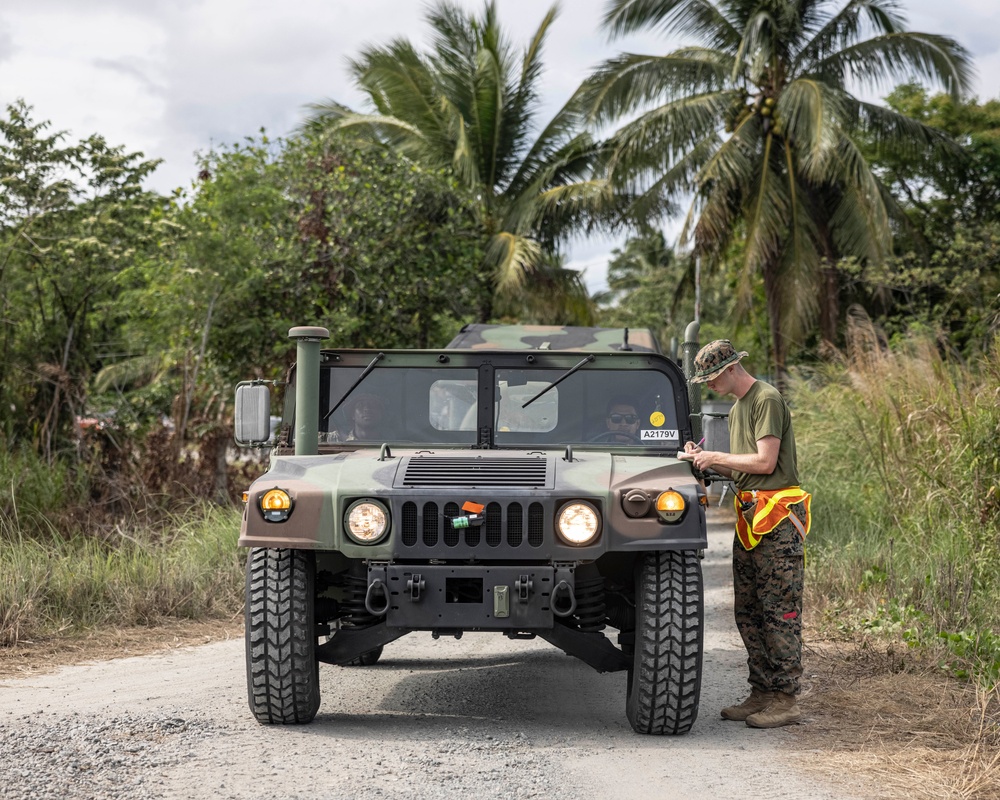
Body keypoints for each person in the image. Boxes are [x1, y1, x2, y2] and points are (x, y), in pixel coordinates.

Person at [679, 339, 812, 729]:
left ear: (732, 369)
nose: (709, 385)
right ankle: (762, 692)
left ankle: (785, 699)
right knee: (749, 611)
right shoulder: (738, 408)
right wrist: (701, 459)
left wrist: (715, 456)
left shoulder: (765, 399)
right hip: (752, 518)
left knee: (780, 611)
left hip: (778, 521)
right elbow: (745, 470)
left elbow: (766, 461)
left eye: (712, 377)